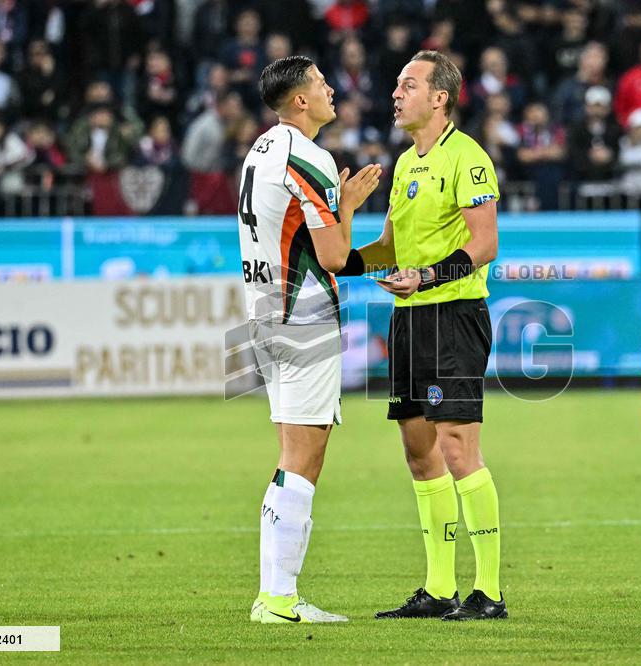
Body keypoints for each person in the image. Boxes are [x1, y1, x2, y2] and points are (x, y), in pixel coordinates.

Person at [336, 50, 505, 621]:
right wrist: (339, 253)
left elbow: (485, 244)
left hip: (453, 314)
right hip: (408, 319)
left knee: (459, 447)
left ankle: (488, 591)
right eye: (396, 85)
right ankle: (439, 589)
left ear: (439, 97)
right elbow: (388, 246)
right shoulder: (407, 162)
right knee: (419, 452)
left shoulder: (468, 157)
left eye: (408, 85)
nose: (395, 94)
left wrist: (427, 276)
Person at [241, 55, 381, 624]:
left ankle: (274, 595)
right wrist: (347, 207)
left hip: (261, 311)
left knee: (291, 454)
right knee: (304, 457)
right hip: (301, 316)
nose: (331, 90)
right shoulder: (310, 156)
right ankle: (277, 598)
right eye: (322, 84)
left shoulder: (261, 149)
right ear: (300, 100)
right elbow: (334, 256)